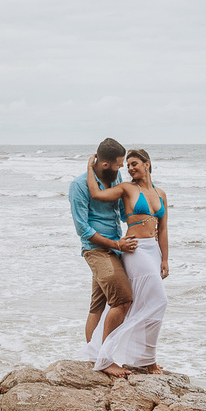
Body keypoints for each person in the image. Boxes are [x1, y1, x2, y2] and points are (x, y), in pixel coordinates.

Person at [84, 148, 168, 376]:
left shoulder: (161, 193)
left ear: (147, 164)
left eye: (134, 164)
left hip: (153, 251)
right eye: (128, 165)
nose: (130, 168)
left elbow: (163, 230)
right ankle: (129, 359)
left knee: (143, 305)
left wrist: (165, 259)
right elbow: (96, 194)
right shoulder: (127, 189)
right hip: (135, 249)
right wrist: (89, 167)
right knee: (159, 301)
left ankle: (142, 359)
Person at [68, 139, 139, 345]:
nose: (121, 168)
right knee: (123, 300)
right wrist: (116, 244)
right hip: (97, 250)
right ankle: (106, 358)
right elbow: (83, 229)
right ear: (105, 164)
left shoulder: (115, 180)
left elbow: (124, 214)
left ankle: (93, 355)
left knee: (97, 306)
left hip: (116, 248)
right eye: (118, 164)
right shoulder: (79, 186)